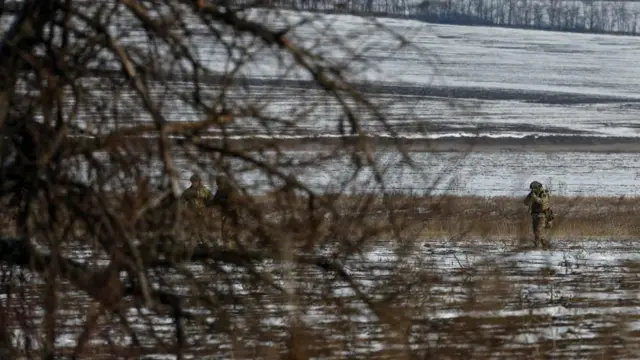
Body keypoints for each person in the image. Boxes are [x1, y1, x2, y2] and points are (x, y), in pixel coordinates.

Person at [523, 180, 553, 249]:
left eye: (534, 189)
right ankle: (538, 247)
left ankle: (545, 245)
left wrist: (535, 197)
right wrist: (530, 196)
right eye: (532, 189)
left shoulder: (544, 192)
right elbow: (525, 203)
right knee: (535, 232)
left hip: (542, 215)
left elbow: (542, 202)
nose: (533, 190)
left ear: (538, 187)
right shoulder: (533, 193)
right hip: (534, 215)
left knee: (538, 231)